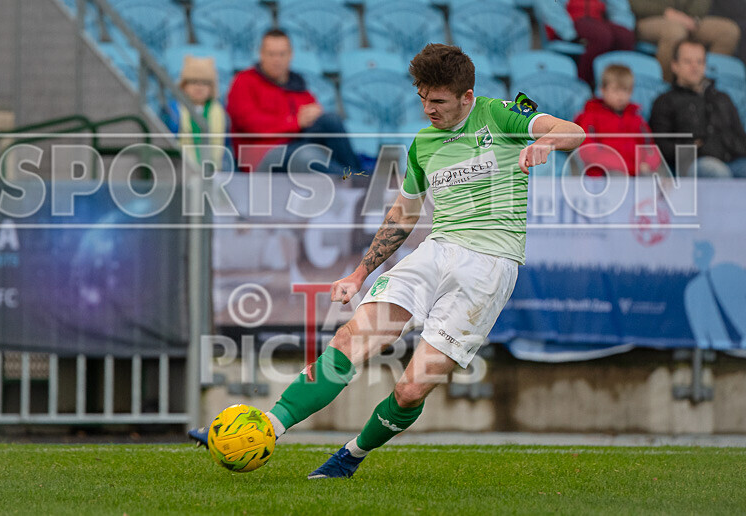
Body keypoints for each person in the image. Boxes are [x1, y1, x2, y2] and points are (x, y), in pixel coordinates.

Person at [191, 44, 585, 478]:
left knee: (411, 388)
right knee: (351, 338)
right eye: (423, 99)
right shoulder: (423, 143)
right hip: (436, 250)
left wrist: (545, 142)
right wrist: (360, 272)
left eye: (438, 101)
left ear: (467, 98)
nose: (428, 109)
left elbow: (574, 131)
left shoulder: (501, 114)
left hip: (489, 265)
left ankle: (350, 456)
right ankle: (266, 427)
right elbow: (403, 213)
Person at [226, 29, 360, 174]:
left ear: (291, 55)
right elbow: (251, 124)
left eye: (282, 54)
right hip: (262, 156)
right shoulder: (244, 81)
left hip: (295, 142)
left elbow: (312, 116)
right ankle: (351, 182)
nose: (276, 59)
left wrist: (315, 115)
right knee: (307, 156)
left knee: (330, 120)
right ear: (261, 54)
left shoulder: (297, 85)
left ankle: (360, 178)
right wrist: (294, 122)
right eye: (271, 54)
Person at [649, 38, 746, 178]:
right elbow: (660, 146)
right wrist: (696, 148)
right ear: (674, 66)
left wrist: (724, 144)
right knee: (715, 171)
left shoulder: (722, 98)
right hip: (694, 164)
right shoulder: (665, 101)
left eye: (700, 62)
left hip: (731, 160)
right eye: (688, 61)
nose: (695, 67)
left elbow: (741, 138)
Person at [574, 64, 663, 176]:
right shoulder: (590, 117)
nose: (621, 96)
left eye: (625, 90)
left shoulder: (637, 119)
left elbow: (649, 147)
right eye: (615, 90)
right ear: (602, 90)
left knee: (654, 179)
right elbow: (588, 151)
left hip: (637, 171)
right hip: (604, 173)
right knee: (617, 177)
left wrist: (648, 163)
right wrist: (627, 166)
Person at [629, 0, 740, 82]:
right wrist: (666, 12)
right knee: (674, 32)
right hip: (650, 18)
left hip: (689, 19)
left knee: (728, 32)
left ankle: (706, 84)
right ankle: (665, 85)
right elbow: (635, 3)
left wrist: (691, 18)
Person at [536, 0, 636, 87]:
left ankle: (619, 87)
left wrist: (621, 27)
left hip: (597, 23)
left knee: (625, 37)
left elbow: (620, 9)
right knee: (600, 36)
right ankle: (586, 84)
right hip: (570, 23)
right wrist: (569, 33)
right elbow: (550, 9)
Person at [162, 55, 228, 171]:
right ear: (184, 85)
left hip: (213, 170)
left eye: (204, 83)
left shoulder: (218, 111)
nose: (199, 87)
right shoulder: (175, 110)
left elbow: (221, 145)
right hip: (182, 169)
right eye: (193, 82)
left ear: (212, 87)